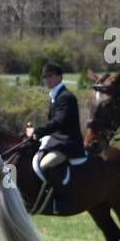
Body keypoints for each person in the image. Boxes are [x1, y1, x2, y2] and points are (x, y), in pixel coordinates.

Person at [25, 61, 86, 209]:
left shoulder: (66, 97)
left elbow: (59, 121)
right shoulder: (55, 96)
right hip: (56, 140)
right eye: (44, 76)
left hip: (68, 143)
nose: (46, 79)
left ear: (59, 77)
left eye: (50, 76)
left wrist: (38, 131)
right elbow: (53, 123)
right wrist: (35, 133)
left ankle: (62, 198)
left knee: (45, 165)